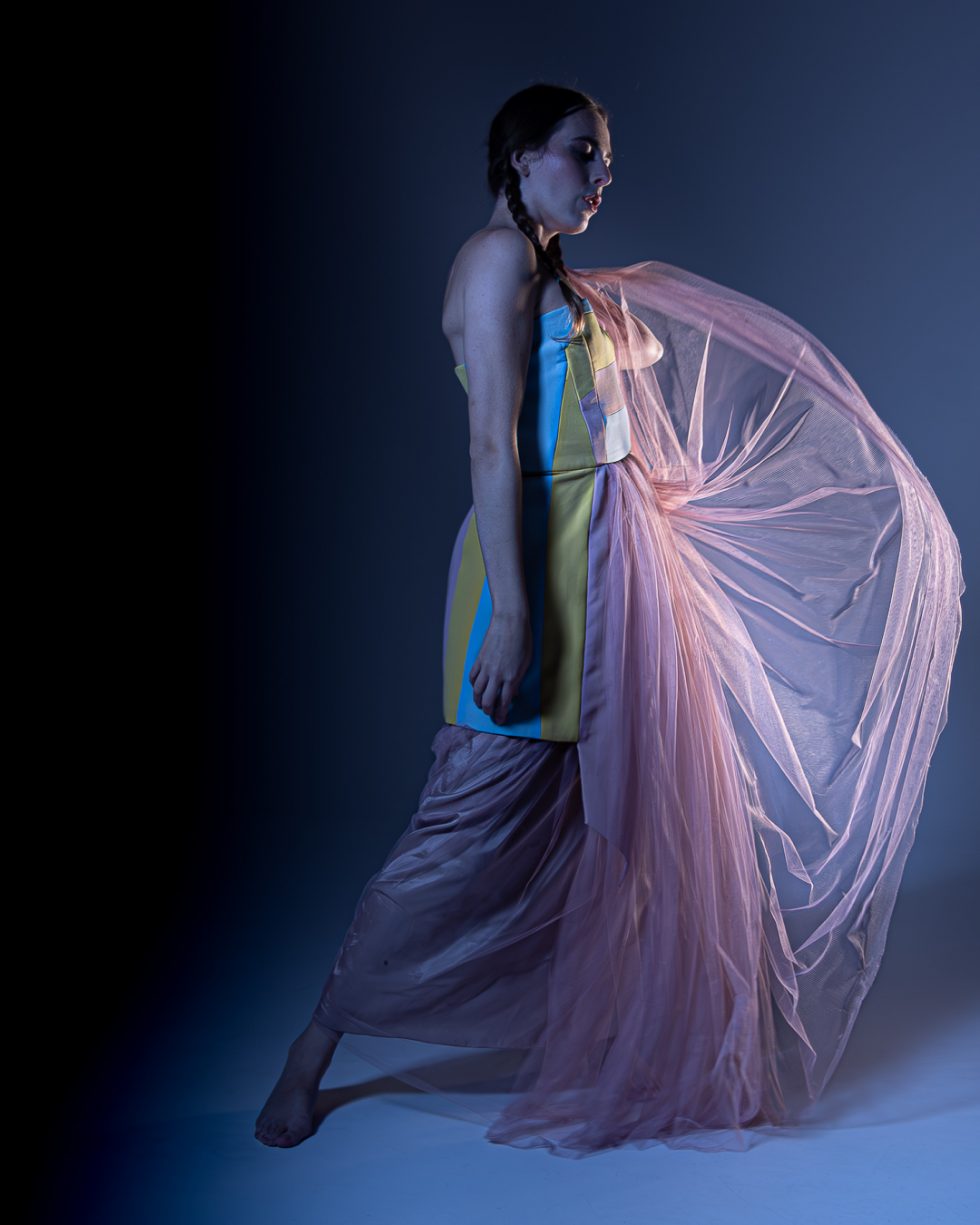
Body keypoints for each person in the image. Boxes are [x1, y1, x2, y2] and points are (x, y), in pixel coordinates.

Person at [255, 83, 964, 1158]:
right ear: (519, 155)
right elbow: (493, 444)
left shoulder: (557, 277)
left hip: (615, 563)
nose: (600, 175)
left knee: (641, 813)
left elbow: (612, 404)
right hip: (537, 564)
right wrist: (512, 612)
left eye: (605, 159)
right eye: (580, 152)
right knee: (465, 822)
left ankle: (644, 1030)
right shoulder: (493, 261)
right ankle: (311, 1050)